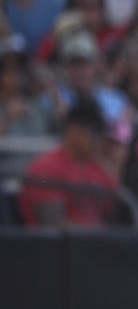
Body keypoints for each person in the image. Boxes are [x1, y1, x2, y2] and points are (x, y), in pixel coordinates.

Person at [18, 97, 124, 228]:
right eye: (95, 134)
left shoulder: (97, 167)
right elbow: (53, 226)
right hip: (55, 247)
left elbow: (120, 208)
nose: (100, 141)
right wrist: (105, 236)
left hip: (98, 244)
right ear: (73, 131)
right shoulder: (46, 167)